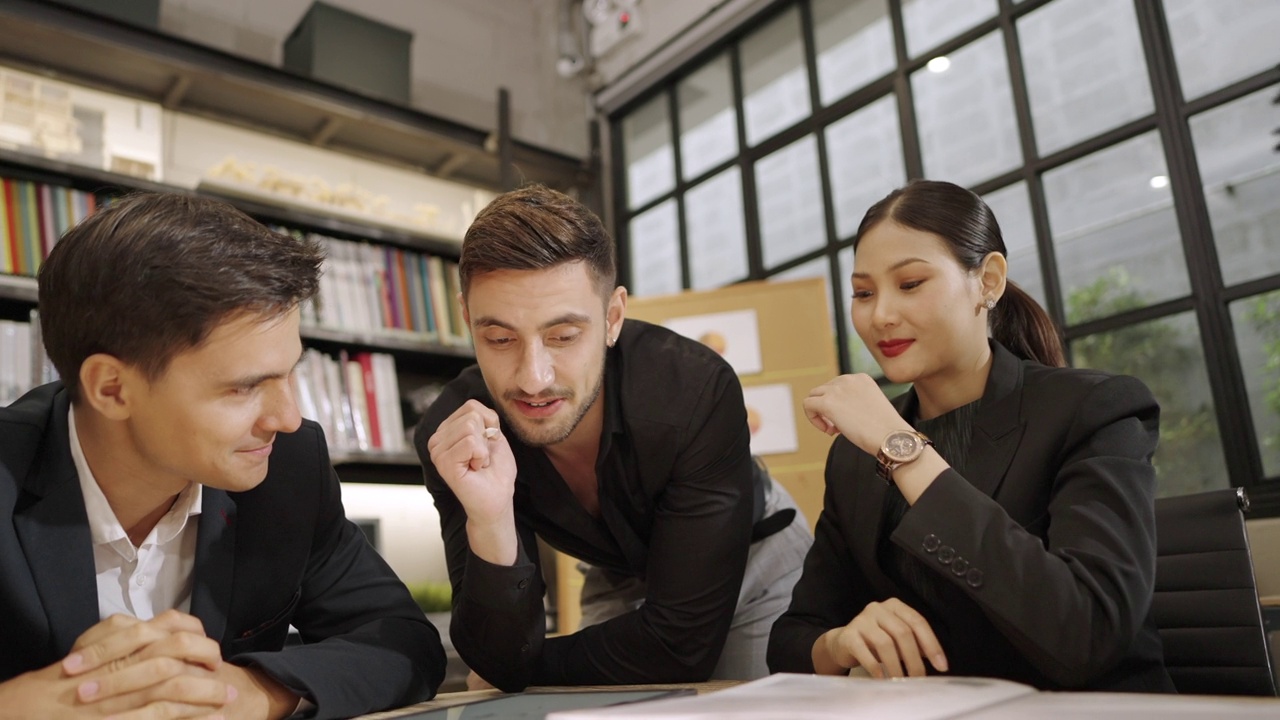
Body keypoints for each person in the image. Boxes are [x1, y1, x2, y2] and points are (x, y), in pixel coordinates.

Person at [0, 193, 447, 719]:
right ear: (113, 388)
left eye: (291, 373)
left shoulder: (288, 467)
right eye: (243, 388)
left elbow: (402, 642)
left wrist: (245, 693)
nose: (288, 418)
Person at [767, 180, 1174, 692]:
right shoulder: (855, 454)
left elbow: (1085, 632)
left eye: (911, 283)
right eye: (863, 293)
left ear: (989, 281)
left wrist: (902, 448)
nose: (880, 315)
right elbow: (789, 640)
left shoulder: (1092, 409)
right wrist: (841, 642)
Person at [416, 185, 812, 692]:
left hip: (753, 566)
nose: (533, 378)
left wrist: (518, 669)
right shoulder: (453, 434)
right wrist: (491, 519)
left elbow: (679, 646)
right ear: (467, 319)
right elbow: (496, 648)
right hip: (615, 574)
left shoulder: (694, 391)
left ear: (612, 318)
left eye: (563, 336)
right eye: (499, 339)